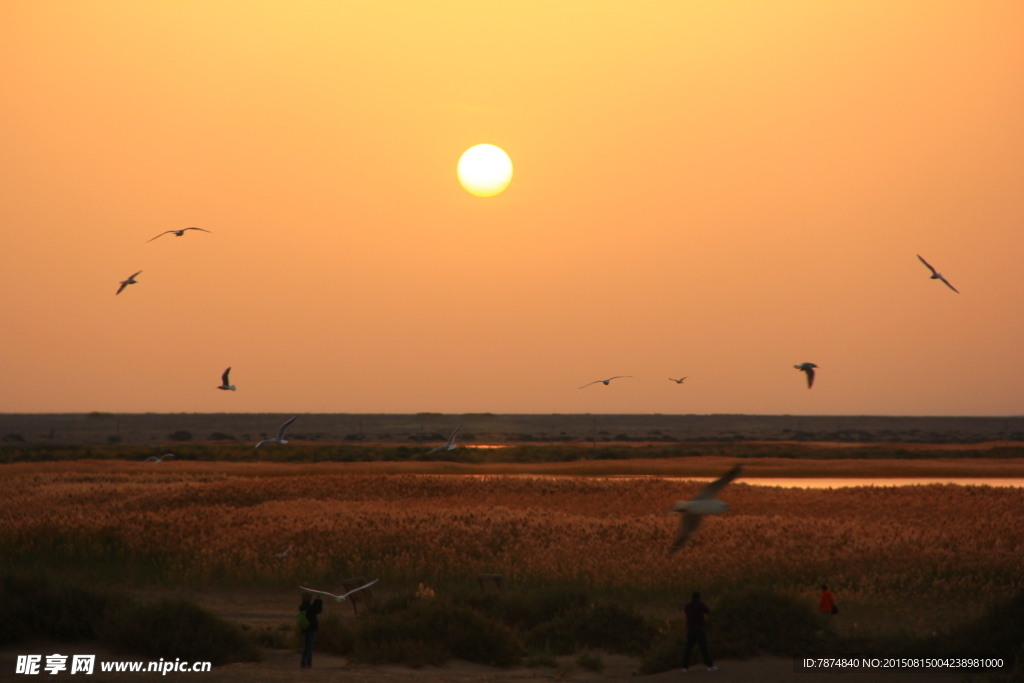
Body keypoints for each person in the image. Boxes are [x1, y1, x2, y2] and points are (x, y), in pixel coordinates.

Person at [682, 591, 717, 672]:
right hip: (699, 629)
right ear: (699, 597)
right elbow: (708, 611)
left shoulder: (687, 606)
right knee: (703, 648)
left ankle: (684, 667)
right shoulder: (700, 604)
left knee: (688, 649)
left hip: (690, 630)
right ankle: (709, 666)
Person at [299, 592, 323, 669]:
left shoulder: (302, 607)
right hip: (312, 629)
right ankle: (309, 663)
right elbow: (318, 610)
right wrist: (319, 601)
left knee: (306, 646)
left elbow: (312, 607)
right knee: (310, 647)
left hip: (305, 630)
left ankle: (303, 661)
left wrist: (316, 601)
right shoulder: (310, 608)